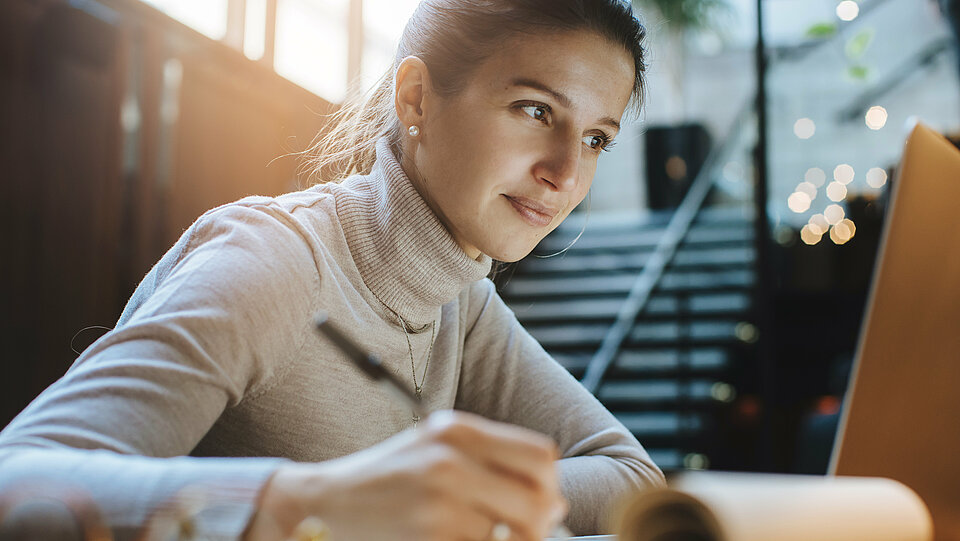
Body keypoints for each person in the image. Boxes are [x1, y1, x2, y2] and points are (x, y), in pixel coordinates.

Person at [0, 0, 664, 539]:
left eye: (595, 138)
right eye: (536, 109)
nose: (566, 173)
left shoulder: (463, 303)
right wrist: (313, 500)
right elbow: (18, 477)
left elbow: (632, 478)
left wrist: (459, 493)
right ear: (417, 101)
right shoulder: (276, 260)